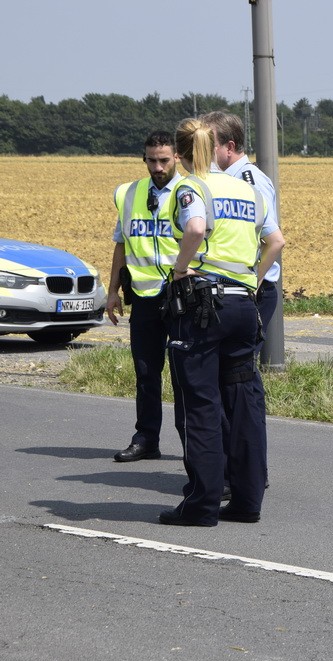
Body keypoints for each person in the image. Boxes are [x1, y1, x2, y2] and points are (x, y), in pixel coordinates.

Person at [158, 118, 268, 527]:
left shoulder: (193, 186)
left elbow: (196, 227)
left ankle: (201, 505)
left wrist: (180, 268)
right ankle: (247, 501)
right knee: (244, 403)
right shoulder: (248, 189)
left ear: (182, 155)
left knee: (201, 403)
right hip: (244, 303)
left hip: (205, 305)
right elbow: (273, 240)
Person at [200, 110, 284, 498]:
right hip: (238, 291)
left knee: (240, 386)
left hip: (248, 292)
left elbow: (273, 239)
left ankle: (249, 472)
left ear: (229, 147)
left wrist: (248, 279)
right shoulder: (225, 179)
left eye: (209, 144)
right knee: (234, 385)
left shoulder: (247, 180)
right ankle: (242, 471)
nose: (202, 151)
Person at [106, 131, 182, 463]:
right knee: (146, 370)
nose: (157, 166)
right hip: (144, 294)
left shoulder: (188, 191)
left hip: (181, 294)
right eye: (151, 159)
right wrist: (111, 291)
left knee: (185, 375)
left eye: (164, 159)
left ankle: (194, 443)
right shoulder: (128, 193)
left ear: (177, 157)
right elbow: (121, 244)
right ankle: (147, 438)